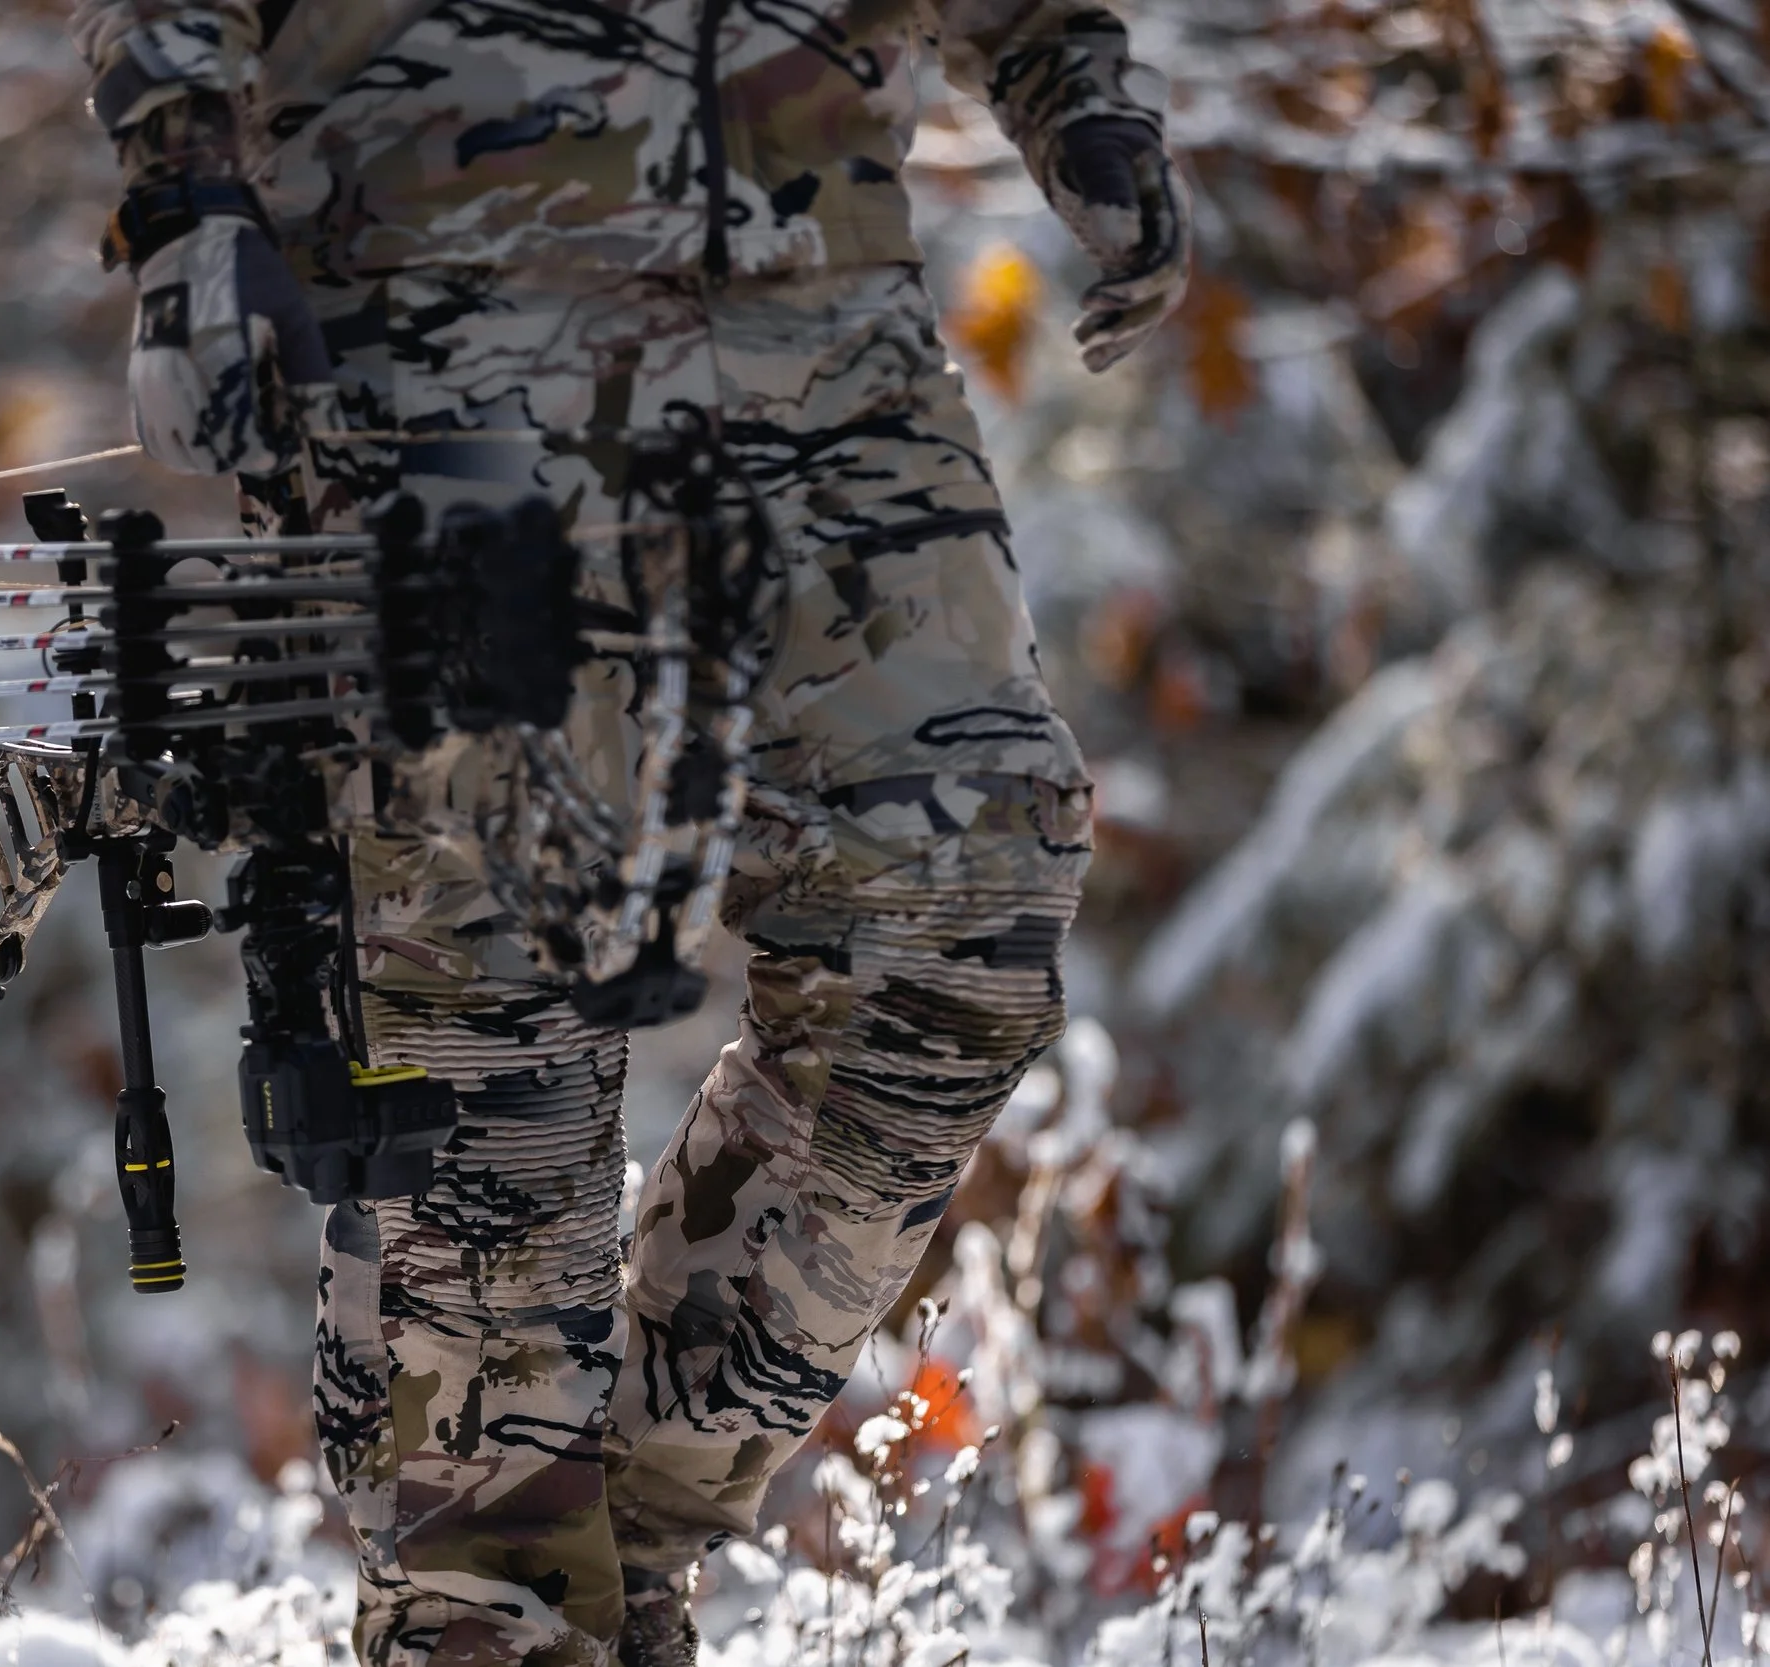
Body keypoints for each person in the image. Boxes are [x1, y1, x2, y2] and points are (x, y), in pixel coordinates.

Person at [67, 1, 1188, 1660]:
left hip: (828, 344)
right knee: (487, 1078)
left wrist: (1069, 82)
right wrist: (184, 189)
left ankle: (593, 1543)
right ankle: (505, 1594)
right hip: (446, 328)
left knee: (962, 916)